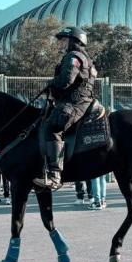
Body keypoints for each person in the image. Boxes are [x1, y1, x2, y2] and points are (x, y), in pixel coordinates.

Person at [33, 26, 96, 190]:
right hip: (81, 101)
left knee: (52, 128)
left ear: (74, 41)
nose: (61, 43)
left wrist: (51, 84)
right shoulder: (85, 57)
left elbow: (65, 81)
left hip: (75, 104)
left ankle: (54, 175)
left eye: (64, 40)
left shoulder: (73, 57)